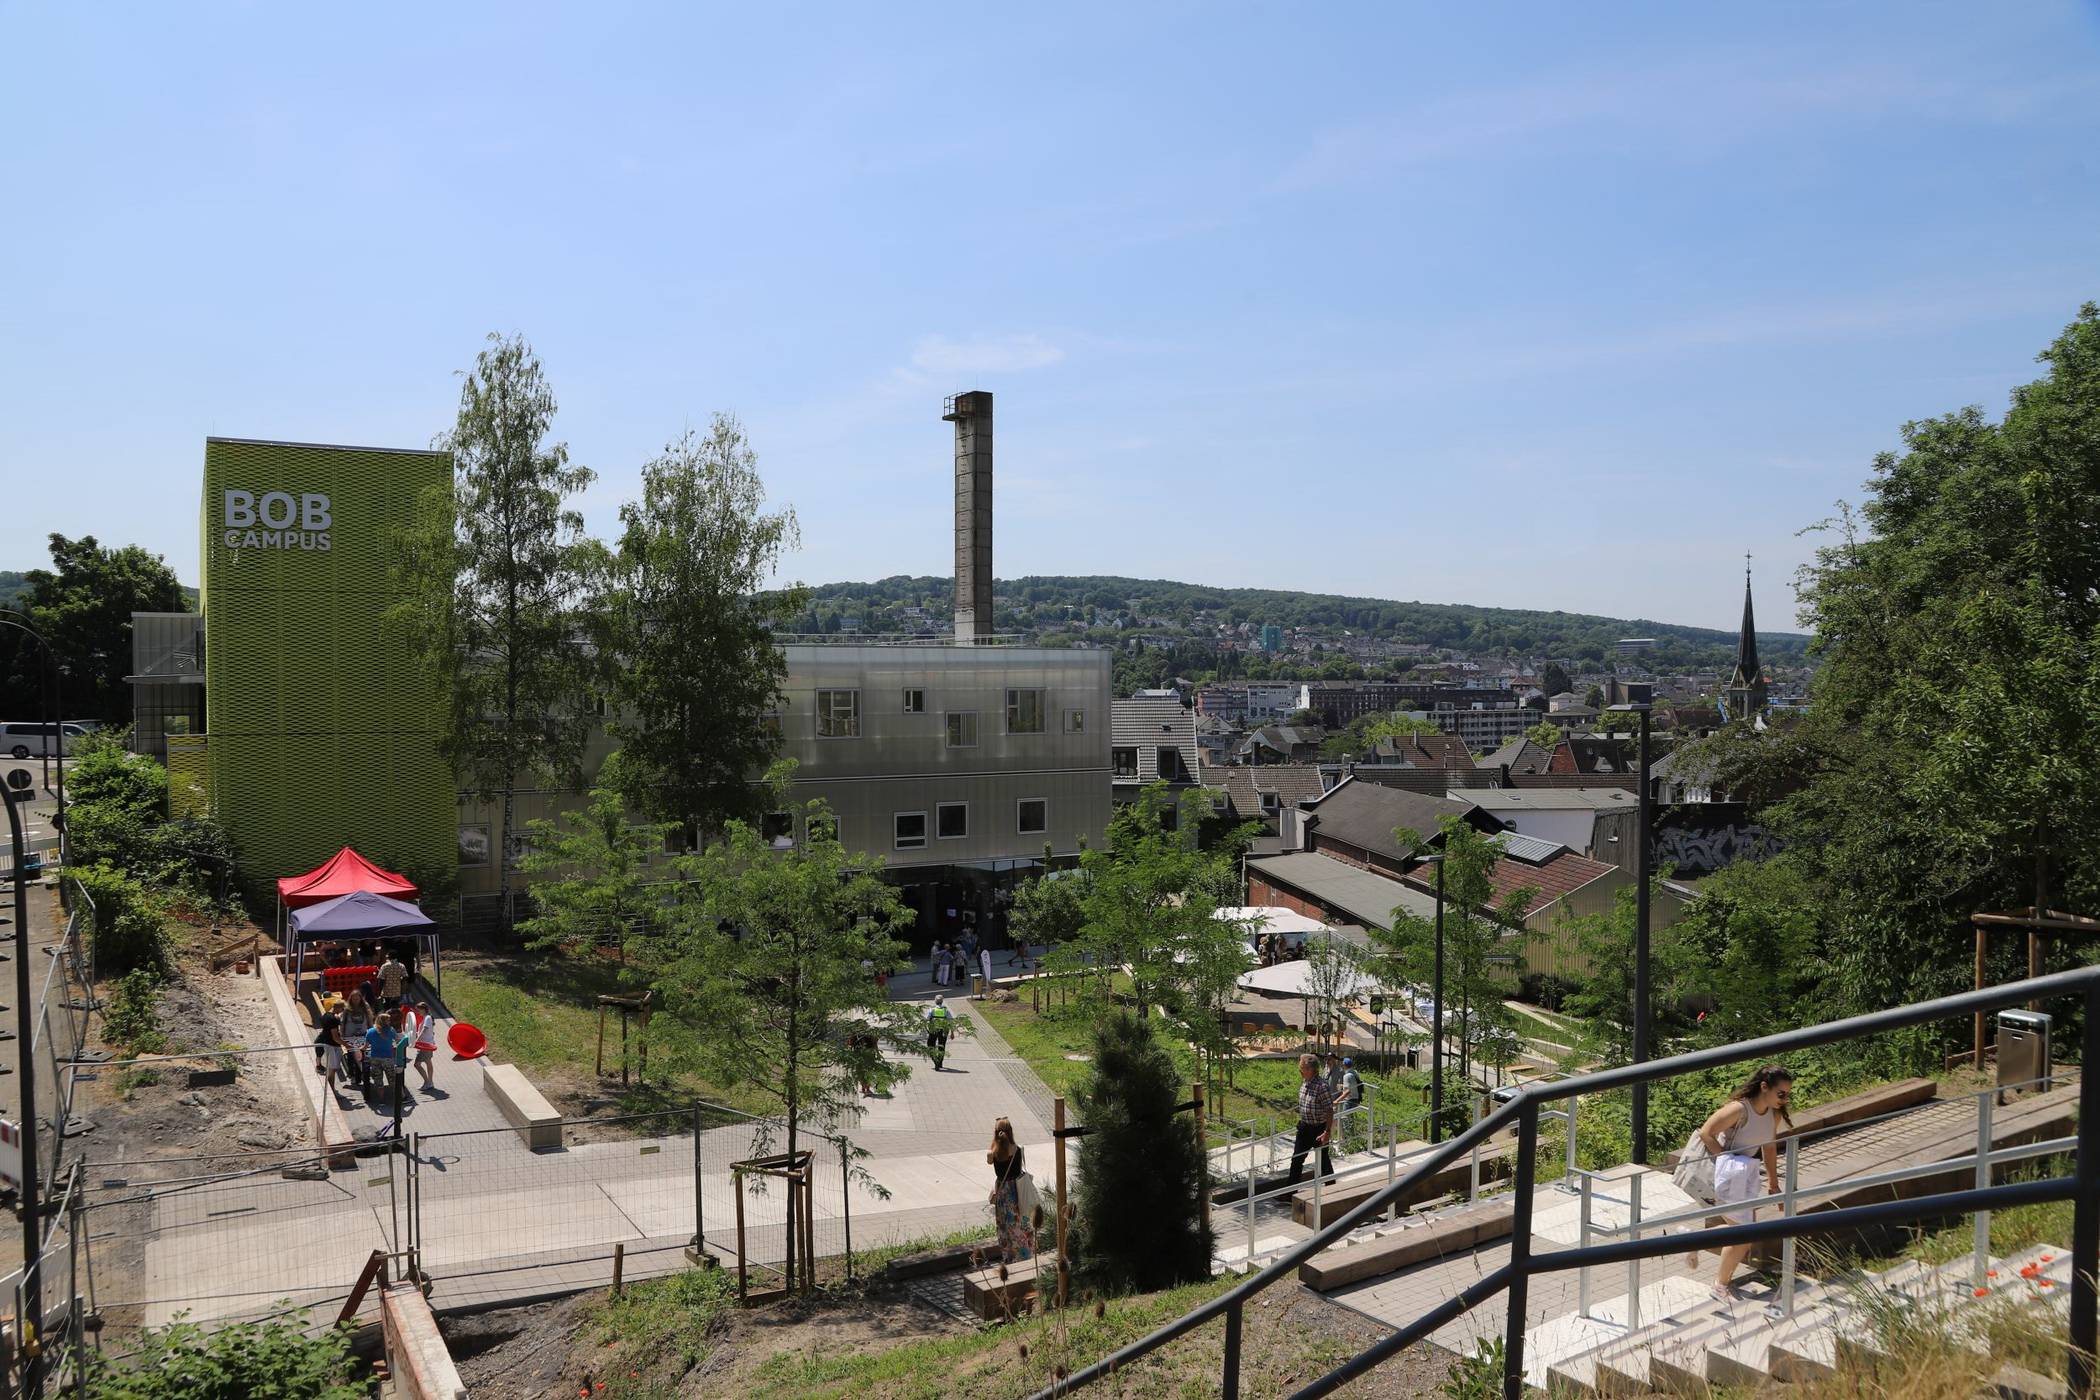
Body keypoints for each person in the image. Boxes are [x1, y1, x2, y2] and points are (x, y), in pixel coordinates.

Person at [1698, 1064, 1793, 1300]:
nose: (1785, 1099)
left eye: (1788, 1094)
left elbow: (1769, 1148)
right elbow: (1706, 1132)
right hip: (1727, 1177)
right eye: (1781, 1093)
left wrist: (1773, 1184)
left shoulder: (1774, 1114)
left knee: (1739, 1231)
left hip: (1744, 1176)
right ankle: (1720, 1285)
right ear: (1764, 1087)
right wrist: (1726, 1162)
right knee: (1743, 1235)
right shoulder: (1739, 1109)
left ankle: (1689, 1241)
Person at [988, 1117, 1036, 1263]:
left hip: (1002, 1193)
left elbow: (990, 1160)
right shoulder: (1017, 1149)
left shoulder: (992, 1153)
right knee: (1019, 1222)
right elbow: (1018, 1166)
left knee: (1004, 1226)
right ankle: (1024, 1254)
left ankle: (1008, 1256)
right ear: (1010, 1132)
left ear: (996, 1133)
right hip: (1017, 1191)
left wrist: (997, 1144)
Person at [1286, 1053, 1336, 1184]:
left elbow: (1329, 1110)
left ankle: (1332, 1188)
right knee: (1297, 1159)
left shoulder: (1321, 1086)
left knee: (1322, 1160)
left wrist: (1327, 1132)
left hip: (1319, 1129)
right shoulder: (1305, 1083)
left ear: (1310, 1069)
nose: (1299, 1069)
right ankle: (1290, 1192)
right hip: (1304, 1128)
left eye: (1301, 1067)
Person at [364, 1011, 405, 1104]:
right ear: (385, 1021)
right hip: (387, 1058)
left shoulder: (370, 1031)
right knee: (392, 1079)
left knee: (378, 1079)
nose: (390, 1022)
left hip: (375, 1058)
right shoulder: (390, 1030)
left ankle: (381, 1099)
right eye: (388, 1020)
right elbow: (398, 1040)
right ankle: (400, 1097)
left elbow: (365, 1046)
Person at [341, 990, 374, 1089]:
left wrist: (371, 1031)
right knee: (351, 1056)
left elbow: (370, 1019)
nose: (355, 1000)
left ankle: (363, 1074)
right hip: (350, 1036)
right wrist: (342, 1035)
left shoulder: (365, 1007)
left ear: (360, 998)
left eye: (357, 998)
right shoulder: (347, 1009)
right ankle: (354, 1076)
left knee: (363, 1054)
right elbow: (343, 1023)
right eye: (354, 998)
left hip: (363, 1034)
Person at [407, 999, 442, 1089]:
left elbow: (425, 1029)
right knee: (428, 1062)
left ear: (423, 1009)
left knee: (417, 1064)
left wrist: (417, 1040)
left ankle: (427, 1082)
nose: (418, 1012)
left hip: (425, 1046)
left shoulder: (427, 1018)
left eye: (419, 1010)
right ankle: (430, 1082)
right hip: (427, 1045)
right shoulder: (427, 1018)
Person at [313, 1008, 346, 1093]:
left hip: (324, 1042)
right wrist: (346, 1045)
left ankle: (319, 1066)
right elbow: (335, 1037)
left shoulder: (326, 1015)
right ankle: (331, 1090)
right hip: (331, 1046)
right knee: (332, 1069)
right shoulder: (333, 1020)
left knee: (330, 1067)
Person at [925, 994, 955, 1070]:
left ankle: (935, 1061)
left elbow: (927, 1020)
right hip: (944, 1030)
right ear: (942, 1001)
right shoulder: (946, 1010)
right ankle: (940, 1062)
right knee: (941, 1046)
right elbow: (951, 1021)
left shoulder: (932, 1010)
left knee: (930, 1045)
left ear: (935, 1001)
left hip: (934, 1029)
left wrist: (926, 1029)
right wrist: (952, 1032)